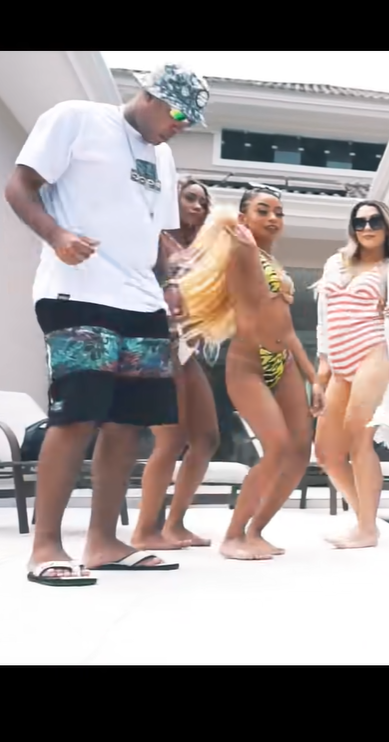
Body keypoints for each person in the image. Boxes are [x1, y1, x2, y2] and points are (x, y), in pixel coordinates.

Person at [4, 62, 210, 586]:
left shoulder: (162, 156)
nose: (182, 125)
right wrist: (57, 236)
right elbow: (19, 187)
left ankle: (103, 543)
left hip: (141, 301)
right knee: (77, 417)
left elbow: (154, 234)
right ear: (150, 95)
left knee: (129, 423)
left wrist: (171, 283)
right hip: (76, 291)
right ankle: (46, 546)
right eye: (178, 113)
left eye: (191, 120)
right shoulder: (77, 119)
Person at [178, 187, 323, 560]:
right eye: (263, 211)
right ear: (243, 218)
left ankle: (256, 530)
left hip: (283, 361)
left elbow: (286, 327)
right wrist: (243, 245)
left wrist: (313, 378)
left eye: (279, 212)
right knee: (277, 447)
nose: (273, 218)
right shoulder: (239, 252)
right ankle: (233, 536)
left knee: (299, 452)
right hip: (248, 364)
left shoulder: (272, 262)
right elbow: (256, 297)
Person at [312, 200, 389, 549]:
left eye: (375, 221)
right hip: (338, 361)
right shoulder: (335, 263)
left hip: (373, 353)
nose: (367, 227)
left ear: (386, 227)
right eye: (360, 222)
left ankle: (366, 528)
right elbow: (323, 320)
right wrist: (321, 370)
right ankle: (365, 520)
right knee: (326, 453)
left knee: (358, 439)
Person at [132, 177, 220, 551]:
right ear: (173, 200)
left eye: (203, 202)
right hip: (159, 343)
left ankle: (175, 524)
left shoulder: (198, 250)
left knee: (207, 438)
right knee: (170, 439)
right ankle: (144, 531)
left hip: (187, 349)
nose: (198, 206)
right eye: (190, 198)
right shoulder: (155, 238)